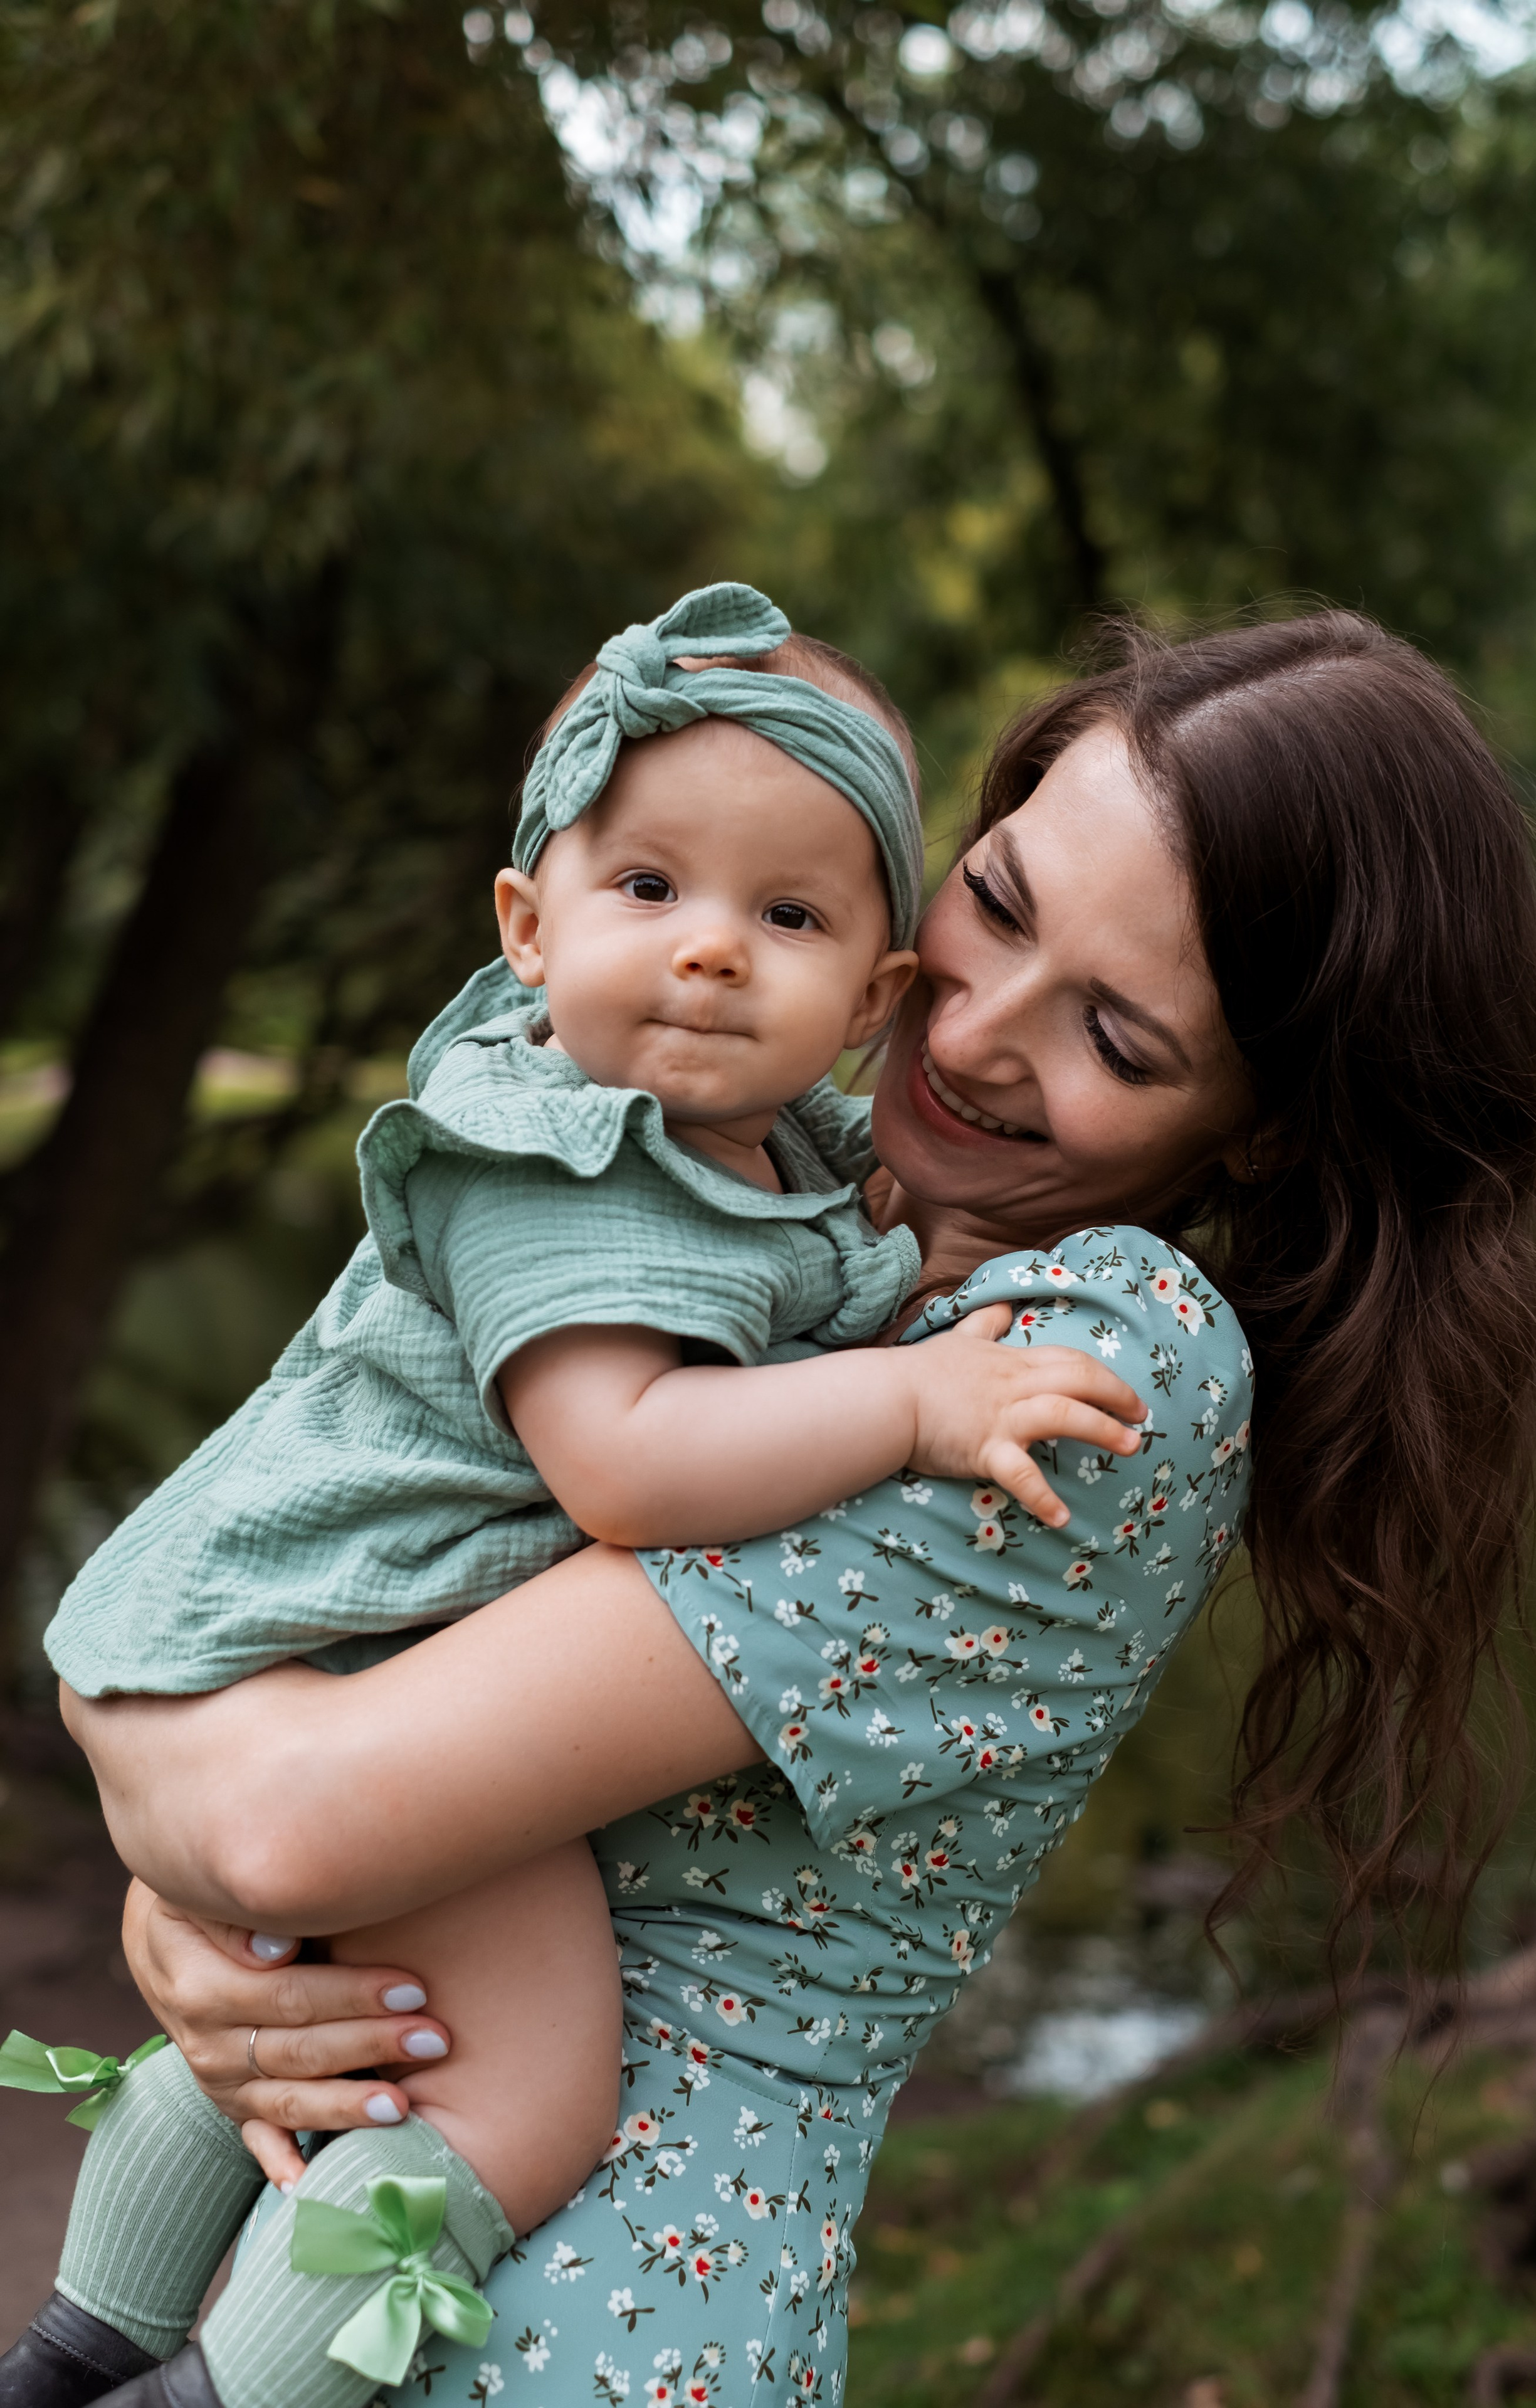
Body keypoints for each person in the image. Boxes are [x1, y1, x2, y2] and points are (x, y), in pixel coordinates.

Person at [46, 612, 1536, 2408]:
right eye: (996, 903)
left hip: (601, 2326)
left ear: (1263, 1130)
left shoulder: (1100, 1370)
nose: (976, 1032)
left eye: (1115, 1034)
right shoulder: (740, 1182)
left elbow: (289, 1821)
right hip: (355, 2236)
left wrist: (186, 1821)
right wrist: (197, 1922)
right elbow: (321, 1620)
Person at [1, 582, 1145, 2408]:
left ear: (868, 997)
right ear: (528, 927)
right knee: (516, 2102)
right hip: (347, 1644)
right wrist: (916, 1397)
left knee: (302, 2023)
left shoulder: (752, 1156)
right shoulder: (564, 1162)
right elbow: (626, 1463)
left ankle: (81, 2349)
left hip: (332, 1652)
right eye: (650, 888)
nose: (711, 954)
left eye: (785, 916)